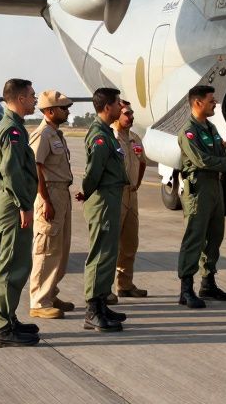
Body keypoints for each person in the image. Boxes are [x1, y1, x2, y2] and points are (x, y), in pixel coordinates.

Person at [176, 84, 226, 308]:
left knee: (215, 236)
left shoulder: (211, 128)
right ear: (197, 103)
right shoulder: (189, 131)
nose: (215, 103)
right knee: (194, 238)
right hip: (199, 189)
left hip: (215, 187)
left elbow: (217, 154)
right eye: (210, 100)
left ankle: (208, 283)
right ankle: (186, 289)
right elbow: (202, 160)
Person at [0, 78, 41, 346]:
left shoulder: (14, 128)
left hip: (14, 202)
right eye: (32, 96)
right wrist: (24, 205)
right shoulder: (12, 131)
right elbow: (11, 173)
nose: (35, 100)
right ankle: (1, 329)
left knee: (19, 263)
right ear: (20, 99)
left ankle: (8, 318)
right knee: (11, 265)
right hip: (13, 204)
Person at [80, 87, 129, 332]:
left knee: (109, 253)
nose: (122, 107)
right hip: (102, 199)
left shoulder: (107, 133)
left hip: (111, 197)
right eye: (119, 103)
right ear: (107, 107)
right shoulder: (99, 135)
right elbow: (93, 172)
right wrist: (87, 192)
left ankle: (101, 303)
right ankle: (92, 310)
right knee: (100, 254)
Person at [27, 90, 76, 320]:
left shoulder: (57, 134)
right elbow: (36, 169)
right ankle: (39, 301)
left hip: (61, 194)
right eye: (63, 108)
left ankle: (50, 294)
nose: (67, 111)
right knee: (46, 249)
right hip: (50, 194)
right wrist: (45, 200)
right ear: (49, 111)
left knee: (60, 249)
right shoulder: (43, 135)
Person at [110, 100, 148, 303]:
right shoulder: (110, 138)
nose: (131, 117)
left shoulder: (135, 138)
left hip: (131, 194)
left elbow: (142, 163)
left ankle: (125, 284)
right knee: (111, 244)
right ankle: (104, 288)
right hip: (115, 194)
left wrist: (137, 184)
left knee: (130, 241)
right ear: (116, 115)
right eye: (126, 114)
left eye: (132, 114)